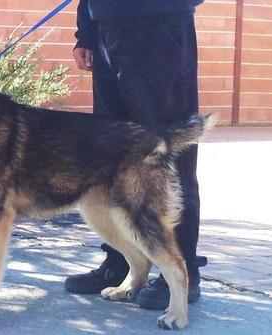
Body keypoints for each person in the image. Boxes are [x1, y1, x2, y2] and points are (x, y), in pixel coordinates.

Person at [64, 0, 207, 310]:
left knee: (166, 151)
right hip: (106, 31)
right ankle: (120, 263)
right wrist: (86, 34)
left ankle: (184, 272)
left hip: (159, 29)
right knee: (112, 158)